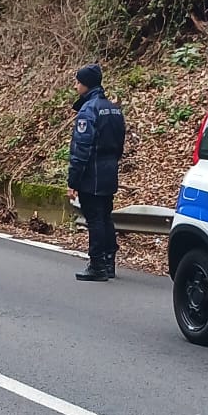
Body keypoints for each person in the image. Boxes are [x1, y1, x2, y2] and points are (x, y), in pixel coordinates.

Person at [67, 63, 125, 282]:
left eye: (77, 82)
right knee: (105, 216)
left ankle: (97, 264)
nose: (75, 86)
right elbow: (120, 142)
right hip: (110, 169)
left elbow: (81, 148)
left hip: (93, 171)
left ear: (86, 84)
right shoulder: (113, 108)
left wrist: (73, 180)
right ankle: (109, 261)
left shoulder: (89, 110)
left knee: (95, 218)